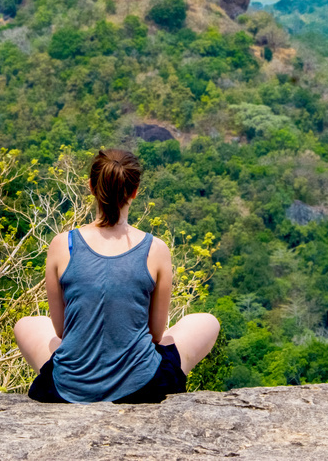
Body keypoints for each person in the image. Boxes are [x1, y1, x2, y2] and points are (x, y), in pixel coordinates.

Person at [14, 148, 220, 403]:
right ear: (134, 191)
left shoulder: (61, 244)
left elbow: (61, 330)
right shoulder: (155, 249)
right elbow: (156, 335)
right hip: (142, 387)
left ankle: (80, 376)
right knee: (207, 321)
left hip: (67, 389)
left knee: (27, 324)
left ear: (91, 187)